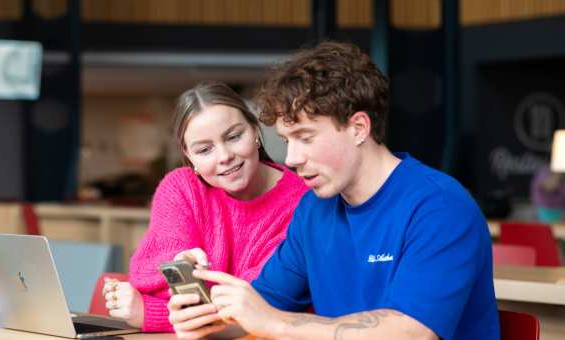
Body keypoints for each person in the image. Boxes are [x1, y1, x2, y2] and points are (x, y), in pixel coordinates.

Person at [169, 42, 500, 339]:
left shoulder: (439, 206)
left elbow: (412, 332)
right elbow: (259, 311)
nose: (292, 158)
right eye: (287, 141)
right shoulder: (313, 211)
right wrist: (203, 323)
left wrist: (275, 323)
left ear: (358, 128)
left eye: (306, 137)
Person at [101, 81, 308, 332]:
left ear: (254, 131)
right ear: (189, 156)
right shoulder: (181, 188)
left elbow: (259, 303)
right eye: (204, 149)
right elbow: (146, 277)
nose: (223, 156)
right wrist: (178, 263)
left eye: (233, 137)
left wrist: (149, 312)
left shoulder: (304, 200)